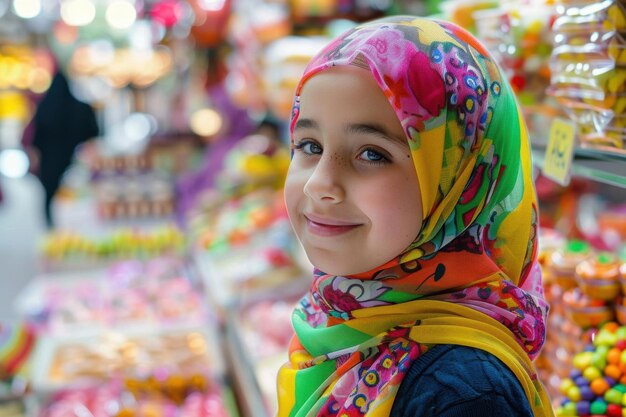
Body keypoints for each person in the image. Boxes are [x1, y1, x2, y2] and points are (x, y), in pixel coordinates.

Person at [276, 16, 554, 417]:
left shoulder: (465, 395)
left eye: (372, 154)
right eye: (309, 145)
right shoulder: (335, 318)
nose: (319, 184)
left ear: (458, 182)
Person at [25, 70, 99, 228]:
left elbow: (35, 138)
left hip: (49, 163)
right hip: (74, 161)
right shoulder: (80, 108)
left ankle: (52, 227)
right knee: (75, 197)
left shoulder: (44, 108)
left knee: (51, 196)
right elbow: (94, 132)